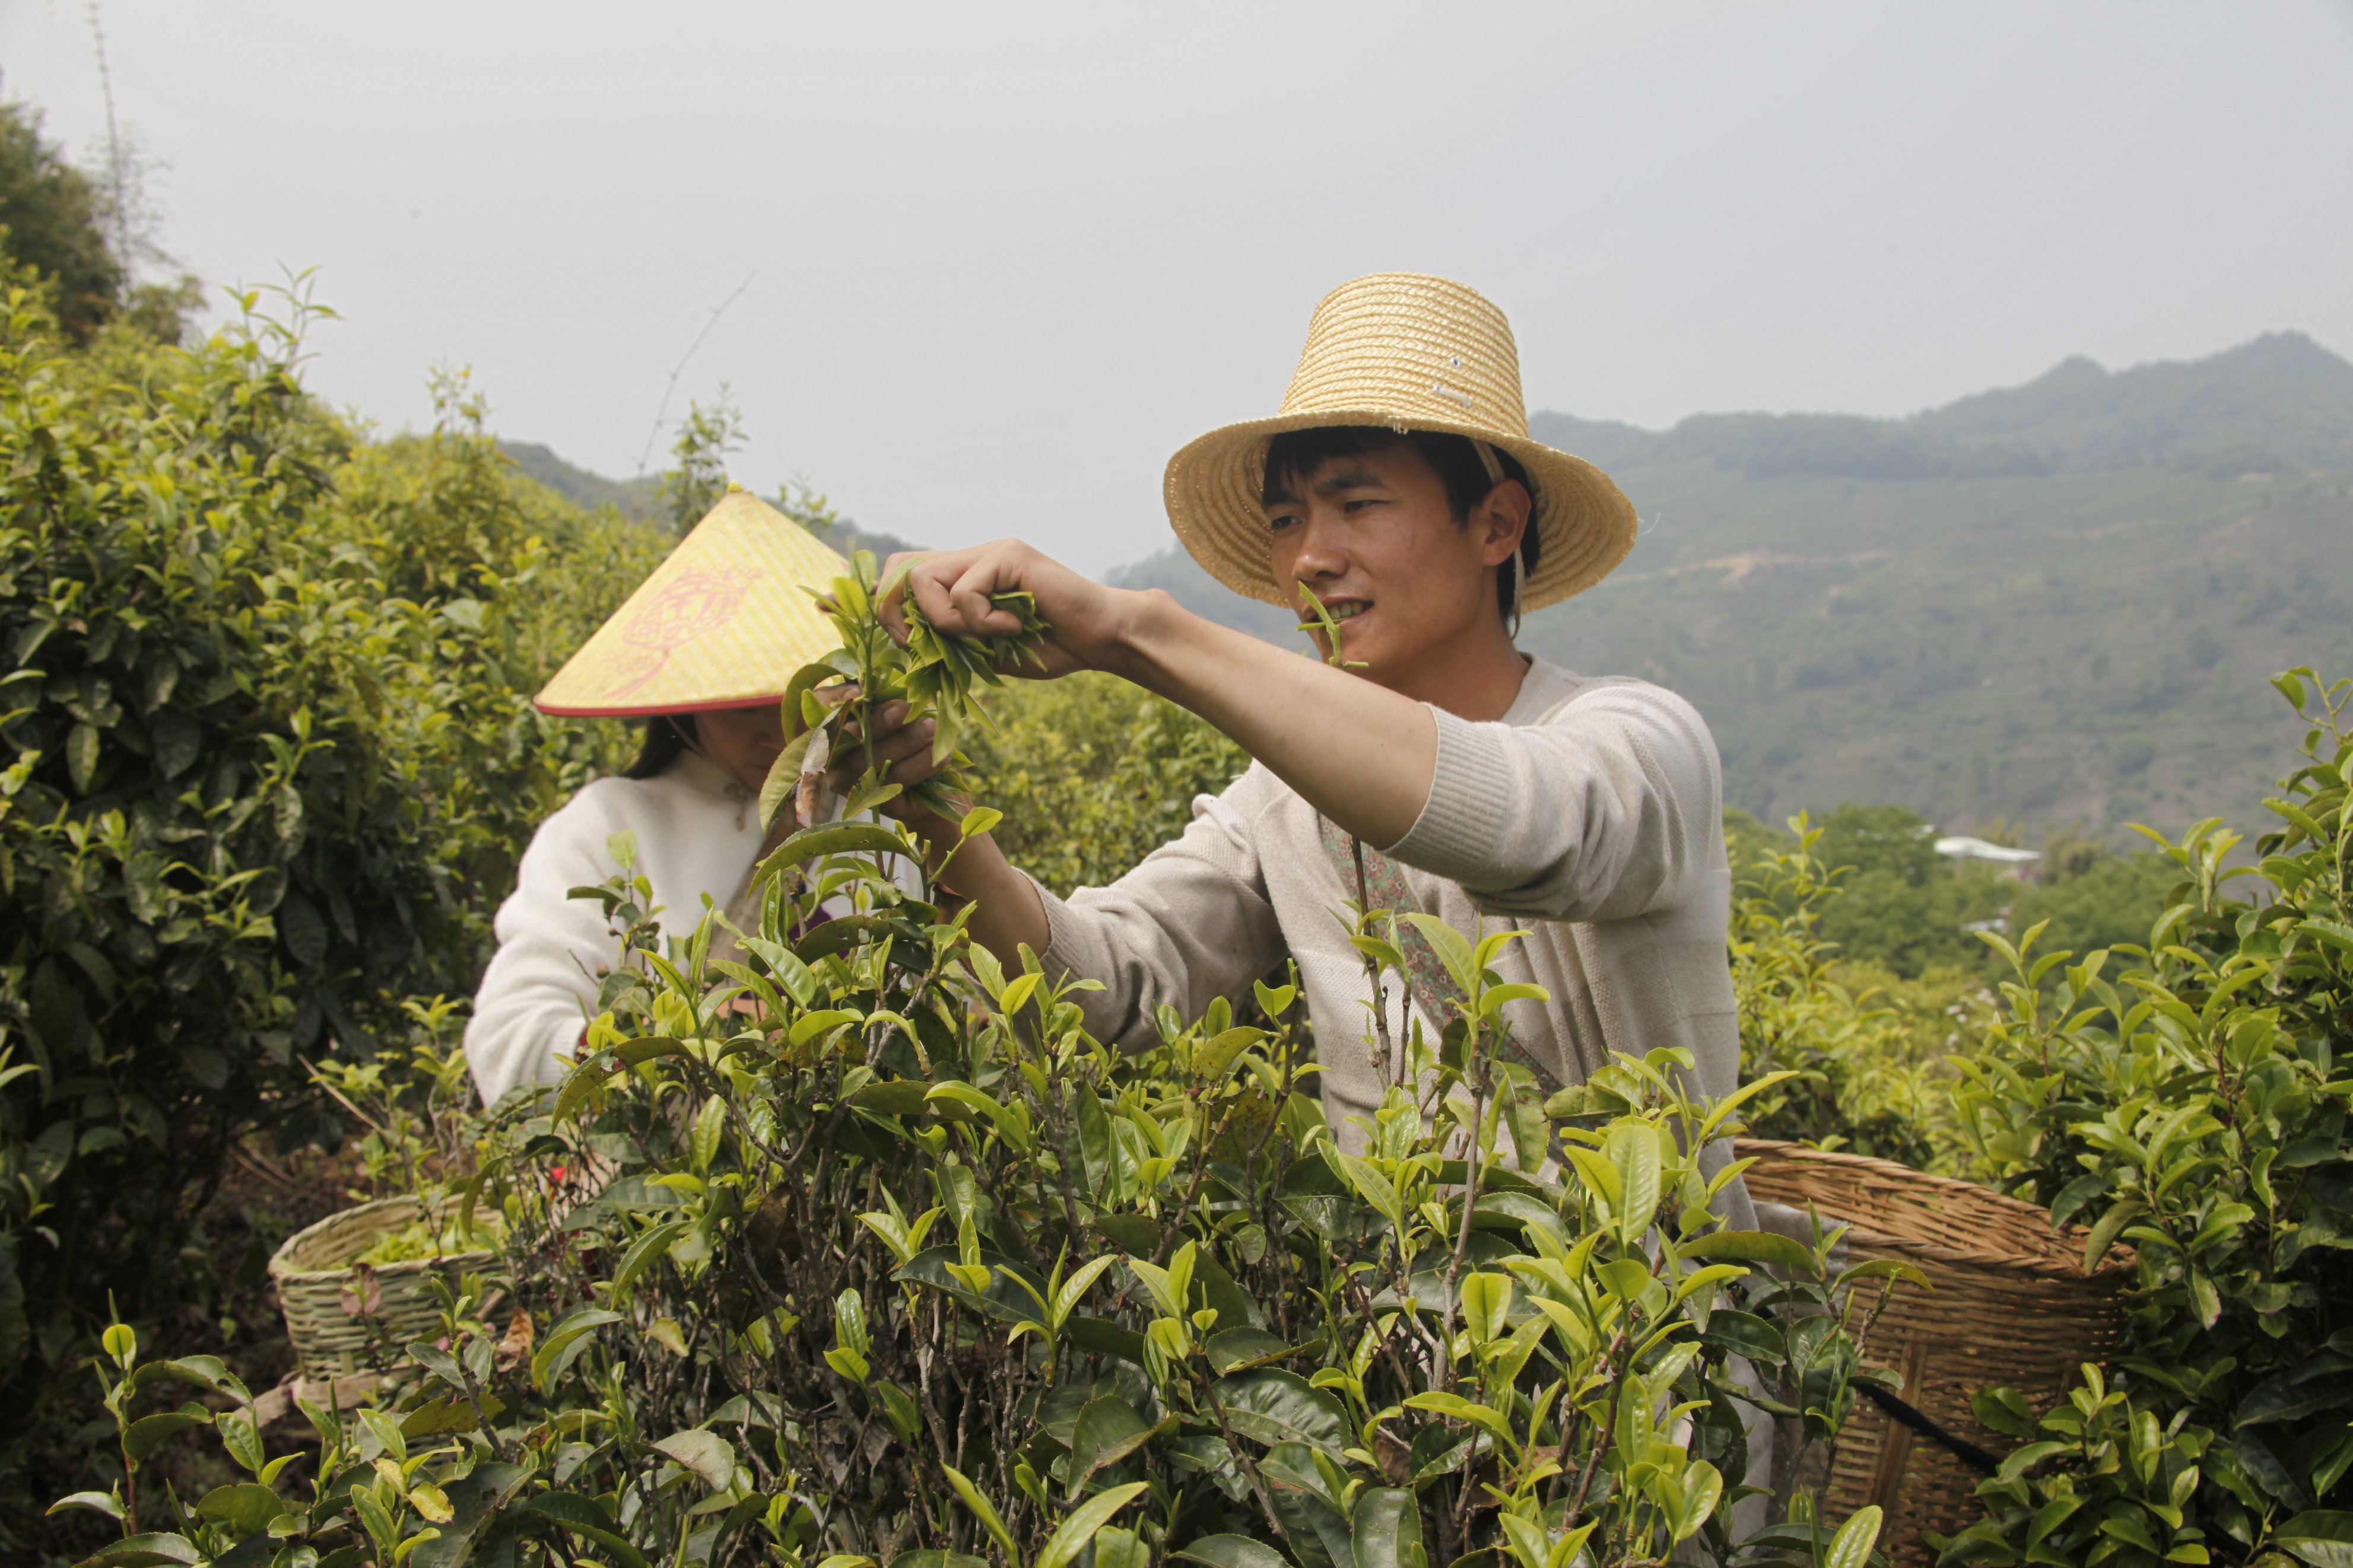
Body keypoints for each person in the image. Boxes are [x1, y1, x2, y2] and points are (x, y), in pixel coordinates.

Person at [856, 272, 1754, 1233]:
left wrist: (1137, 634)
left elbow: (1530, 825)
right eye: (1287, 520)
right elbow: (1104, 984)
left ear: (1496, 523)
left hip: (1643, 1362)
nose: (1308, 560)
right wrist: (924, 800)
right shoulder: (1280, 808)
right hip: (1415, 1374)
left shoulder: (1643, 743)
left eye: (1357, 505)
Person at [464, 491, 910, 1106]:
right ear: (689, 700)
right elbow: (508, 1048)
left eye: (797, 696)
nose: (773, 730)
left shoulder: (878, 826)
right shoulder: (609, 828)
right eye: (740, 704)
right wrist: (683, 1048)